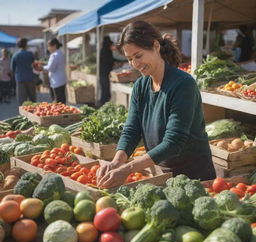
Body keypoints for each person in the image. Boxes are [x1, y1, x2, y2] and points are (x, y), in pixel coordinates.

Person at [96, 21, 216, 188]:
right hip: (162, 173)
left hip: (196, 177)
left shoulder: (183, 84)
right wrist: (116, 162)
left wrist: (128, 168)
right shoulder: (140, 86)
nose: (135, 64)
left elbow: (173, 141)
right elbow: (131, 130)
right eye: (130, 59)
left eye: (138, 56)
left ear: (155, 46)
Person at [11, 38, 36, 105]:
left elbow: (12, 69)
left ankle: (23, 114)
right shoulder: (30, 54)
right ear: (26, 45)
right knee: (32, 99)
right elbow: (34, 65)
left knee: (21, 100)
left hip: (20, 79)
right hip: (30, 78)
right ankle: (33, 114)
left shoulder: (15, 55)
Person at [43, 38, 67, 104]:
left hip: (56, 82)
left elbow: (51, 68)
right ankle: (64, 114)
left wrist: (42, 67)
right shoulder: (60, 53)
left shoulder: (55, 55)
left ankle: (63, 114)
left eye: (49, 46)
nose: (48, 48)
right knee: (62, 101)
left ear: (54, 46)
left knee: (58, 102)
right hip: (60, 80)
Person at [98, 36, 115, 107]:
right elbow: (110, 60)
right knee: (105, 91)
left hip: (103, 73)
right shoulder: (106, 51)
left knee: (105, 90)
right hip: (104, 74)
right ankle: (103, 105)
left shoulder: (103, 50)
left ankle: (103, 104)